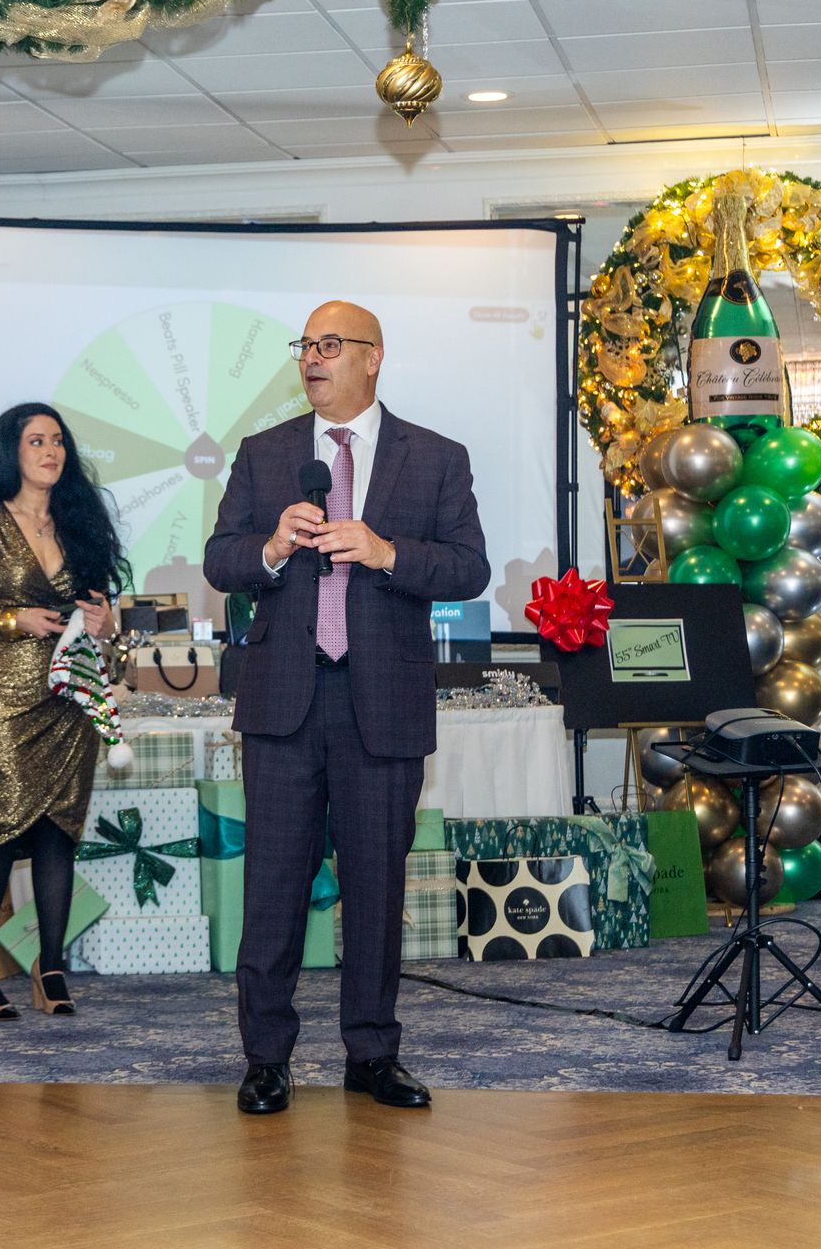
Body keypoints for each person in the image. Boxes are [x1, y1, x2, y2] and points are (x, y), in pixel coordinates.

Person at [205, 300, 488, 1115]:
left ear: (373, 357)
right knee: (272, 888)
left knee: (375, 888)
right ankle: (266, 1058)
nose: (313, 358)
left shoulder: (435, 457)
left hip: (383, 702)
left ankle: (372, 1053)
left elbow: (468, 567)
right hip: (284, 701)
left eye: (331, 345)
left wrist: (386, 552)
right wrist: (270, 548)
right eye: (306, 345)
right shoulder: (265, 454)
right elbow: (221, 560)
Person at [0, 403, 127, 1021]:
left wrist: (104, 621)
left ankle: (51, 966)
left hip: (70, 697)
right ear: (9, 453)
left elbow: (105, 619)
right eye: (36, 440)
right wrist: (13, 618)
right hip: (3, 698)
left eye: (58, 440)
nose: (51, 451)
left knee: (58, 835)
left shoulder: (80, 524)